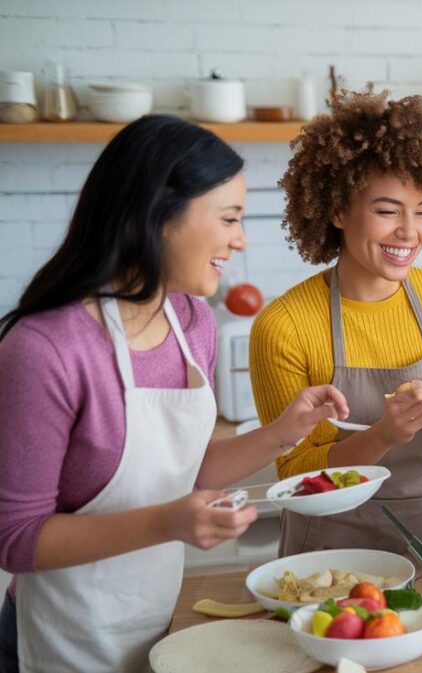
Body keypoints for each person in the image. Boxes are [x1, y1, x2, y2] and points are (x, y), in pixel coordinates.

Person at [0, 116, 347, 673]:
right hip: (63, 637)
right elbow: (15, 539)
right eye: (229, 218)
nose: (240, 238)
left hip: (159, 622)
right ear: (157, 215)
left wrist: (284, 432)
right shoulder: (45, 348)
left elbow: (188, 470)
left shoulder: (191, 321)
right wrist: (168, 524)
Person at [250, 91, 422, 556]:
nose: (410, 231)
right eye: (387, 210)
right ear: (336, 210)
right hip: (327, 554)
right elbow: (294, 473)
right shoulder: (284, 325)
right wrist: (383, 436)